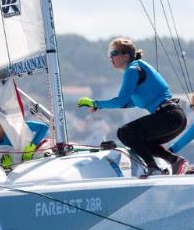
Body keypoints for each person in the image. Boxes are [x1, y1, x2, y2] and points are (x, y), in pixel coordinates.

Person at [76, 37, 187, 176]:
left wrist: (96, 103)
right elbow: (130, 102)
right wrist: (100, 106)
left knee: (125, 133)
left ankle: (152, 167)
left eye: (114, 53)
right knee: (140, 140)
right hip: (175, 118)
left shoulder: (133, 69)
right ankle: (175, 161)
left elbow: (121, 101)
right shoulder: (138, 67)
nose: (111, 57)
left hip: (169, 116)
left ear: (126, 55)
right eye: (109, 54)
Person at [0, 106, 48, 170]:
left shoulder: (13, 127)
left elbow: (43, 127)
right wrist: (3, 165)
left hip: (34, 164)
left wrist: (32, 145)